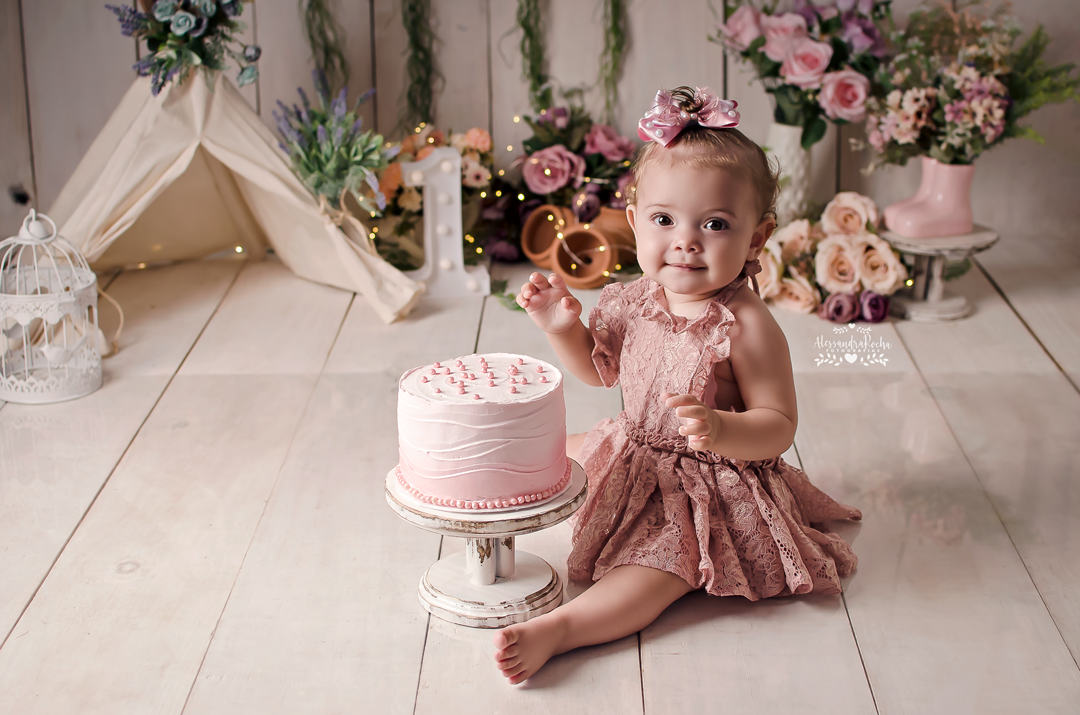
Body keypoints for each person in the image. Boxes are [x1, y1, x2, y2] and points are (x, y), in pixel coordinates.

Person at [495, 86, 862, 684]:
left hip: (707, 481)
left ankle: (565, 627)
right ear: (636, 222)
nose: (685, 241)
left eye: (714, 224)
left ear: (758, 237)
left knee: (661, 567)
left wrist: (721, 428)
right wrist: (561, 329)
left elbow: (778, 425)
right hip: (634, 446)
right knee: (549, 447)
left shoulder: (746, 326)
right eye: (665, 220)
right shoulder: (636, 298)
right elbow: (599, 370)